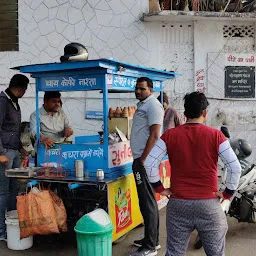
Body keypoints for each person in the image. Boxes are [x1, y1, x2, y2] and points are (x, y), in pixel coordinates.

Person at [144, 91, 242, 256]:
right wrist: (227, 193)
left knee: (175, 252)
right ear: (205, 113)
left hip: (178, 205)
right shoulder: (216, 136)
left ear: (184, 114)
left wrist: (159, 189)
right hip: (209, 205)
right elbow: (235, 167)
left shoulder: (169, 135)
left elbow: (149, 163)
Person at [130, 77, 170, 256]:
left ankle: (150, 247)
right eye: (137, 88)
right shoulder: (144, 104)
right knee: (147, 201)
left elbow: (155, 134)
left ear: (151, 89)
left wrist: (143, 159)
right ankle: (151, 239)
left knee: (147, 202)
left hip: (143, 161)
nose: (138, 91)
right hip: (141, 159)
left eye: (142, 89)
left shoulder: (153, 105)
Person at [0, 74, 29, 241]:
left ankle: (11, 222)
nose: (24, 92)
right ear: (19, 88)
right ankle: (1, 231)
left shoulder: (14, 103)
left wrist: (21, 149)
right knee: (3, 192)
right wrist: (0, 154)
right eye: (24, 89)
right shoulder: (3, 101)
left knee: (14, 191)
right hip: (4, 153)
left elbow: (13, 130)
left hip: (14, 151)